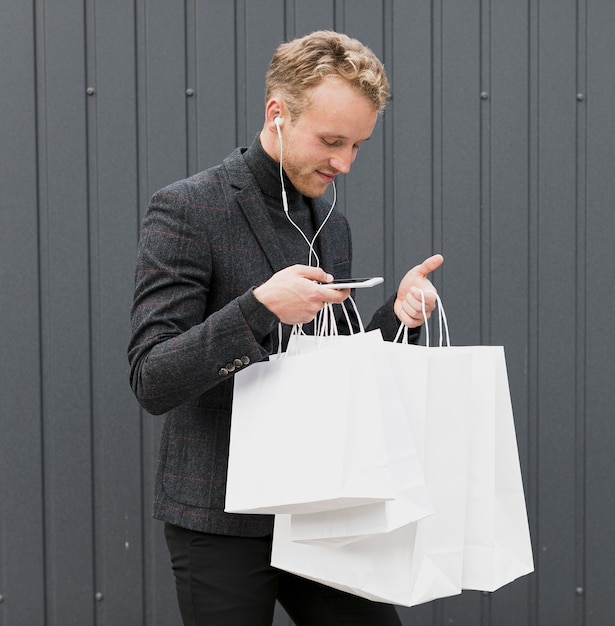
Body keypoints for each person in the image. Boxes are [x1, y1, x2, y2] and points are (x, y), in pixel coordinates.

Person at [129, 30, 443, 626]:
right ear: (277, 114)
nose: (344, 163)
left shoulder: (330, 220)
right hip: (218, 519)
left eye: (357, 145)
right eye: (331, 141)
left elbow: (336, 367)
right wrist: (258, 308)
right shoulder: (186, 209)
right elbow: (152, 378)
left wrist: (398, 317)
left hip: (325, 506)